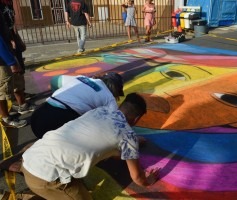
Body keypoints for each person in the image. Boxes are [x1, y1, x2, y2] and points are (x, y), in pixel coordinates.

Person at [21, 93, 160, 199]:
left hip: (30, 158)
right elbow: (138, 178)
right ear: (136, 119)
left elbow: (104, 141)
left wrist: (131, 145)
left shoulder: (99, 111)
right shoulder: (128, 136)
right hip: (45, 178)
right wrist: (148, 181)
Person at [30, 72, 124, 139]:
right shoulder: (109, 97)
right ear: (115, 89)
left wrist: (59, 97)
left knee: (43, 142)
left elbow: (55, 80)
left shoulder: (82, 78)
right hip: (59, 122)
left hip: (38, 115)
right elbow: (116, 124)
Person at [0, 0, 36, 114]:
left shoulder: (8, 4)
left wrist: (16, 39)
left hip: (10, 44)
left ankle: (21, 102)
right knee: (5, 84)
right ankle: (6, 116)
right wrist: (11, 61)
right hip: (3, 51)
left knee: (18, 74)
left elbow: (10, 25)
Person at [0, 17, 27, 128]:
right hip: (2, 59)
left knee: (9, 84)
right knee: (3, 89)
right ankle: (6, 118)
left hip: (6, 53)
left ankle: (8, 113)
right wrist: (11, 61)